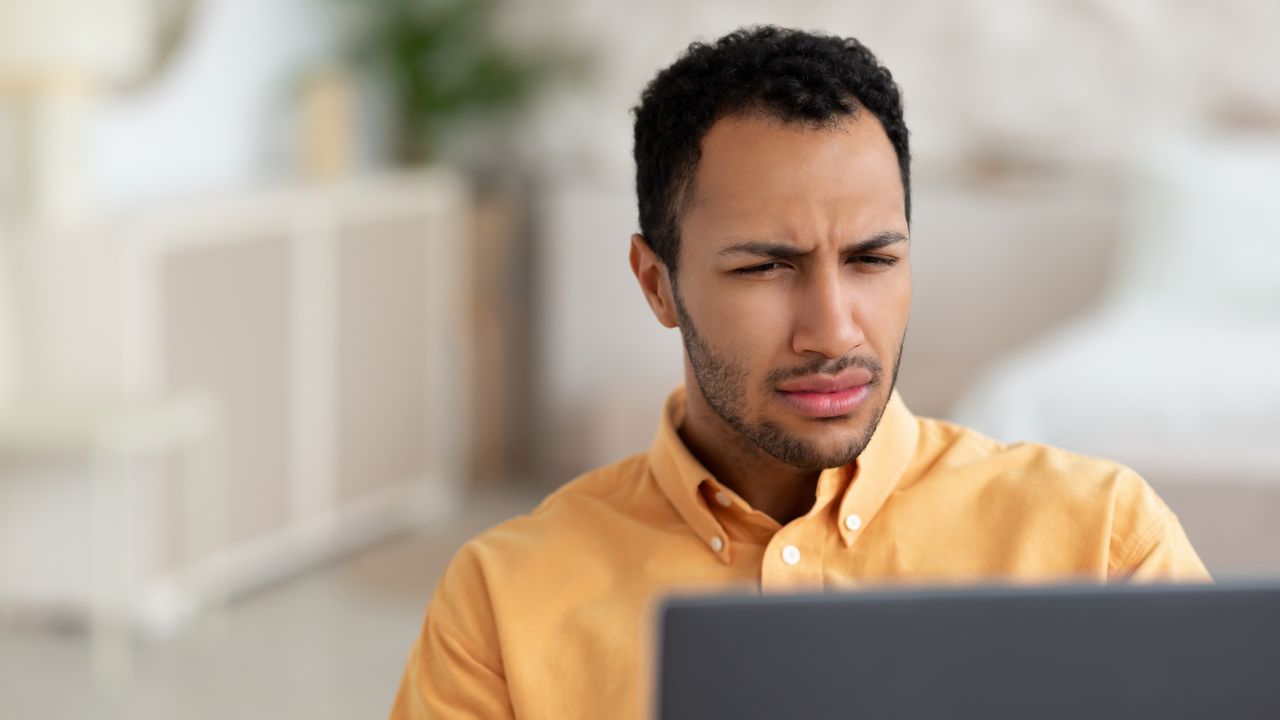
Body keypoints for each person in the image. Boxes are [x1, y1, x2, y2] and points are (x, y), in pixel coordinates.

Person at [390, 25, 1209, 719]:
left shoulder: (1104, 543)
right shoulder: (502, 602)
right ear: (656, 284)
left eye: (872, 259)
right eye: (767, 267)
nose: (833, 331)